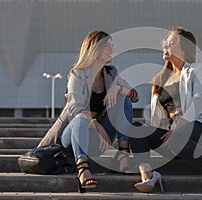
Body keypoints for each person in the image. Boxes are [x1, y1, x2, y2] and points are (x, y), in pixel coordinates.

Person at [129, 27, 202, 196]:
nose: (165, 45)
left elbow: (200, 101)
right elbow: (157, 117)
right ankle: (149, 175)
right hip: (171, 135)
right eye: (165, 42)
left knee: (177, 137)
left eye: (171, 43)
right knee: (136, 128)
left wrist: (178, 126)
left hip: (199, 127)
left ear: (185, 49)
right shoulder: (161, 78)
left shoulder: (198, 70)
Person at [39, 30, 139, 193]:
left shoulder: (111, 73)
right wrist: (98, 127)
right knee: (81, 117)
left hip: (100, 140)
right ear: (95, 49)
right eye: (107, 45)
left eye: (112, 45)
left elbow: (135, 97)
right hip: (73, 137)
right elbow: (75, 109)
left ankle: (123, 154)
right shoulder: (77, 74)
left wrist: (118, 87)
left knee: (124, 98)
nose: (112, 49)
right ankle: (83, 168)